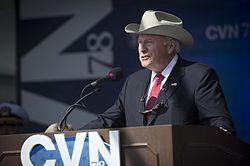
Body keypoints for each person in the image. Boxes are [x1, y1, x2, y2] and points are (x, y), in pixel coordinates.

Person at [47, 10, 235, 134]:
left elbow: (221, 128)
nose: (141, 48)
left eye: (149, 42)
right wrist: (71, 135)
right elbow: (107, 121)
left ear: (170, 46)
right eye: (139, 42)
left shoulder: (198, 76)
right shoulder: (133, 82)